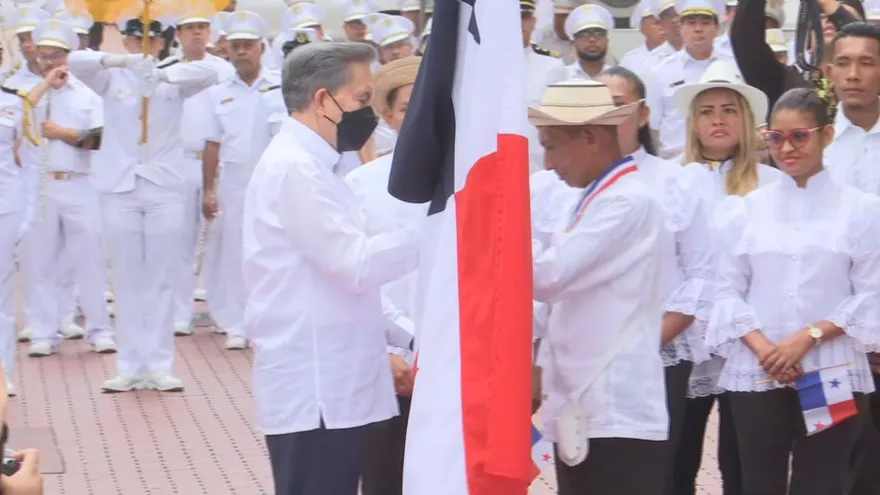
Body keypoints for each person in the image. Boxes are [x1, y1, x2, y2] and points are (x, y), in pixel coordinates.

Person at [242, 41, 418, 495]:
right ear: (323, 99)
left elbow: (337, 283)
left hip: (334, 384)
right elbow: (355, 266)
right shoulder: (296, 168)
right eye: (362, 100)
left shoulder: (317, 166)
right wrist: (438, 232)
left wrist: (407, 336)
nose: (370, 115)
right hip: (316, 389)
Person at [708, 87, 880, 494]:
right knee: (759, 482)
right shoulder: (746, 210)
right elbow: (725, 290)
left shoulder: (859, 210)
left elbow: (871, 294)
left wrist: (807, 338)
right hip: (758, 371)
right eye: (776, 137)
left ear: (826, 135)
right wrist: (765, 348)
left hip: (830, 368)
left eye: (799, 136)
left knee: (821, 480)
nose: (787, 148)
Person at [529, 79, 669, 494]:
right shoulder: (594, 197)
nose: (549, 163)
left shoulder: (627, 201)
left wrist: (494, 234)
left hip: (615, 409)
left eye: (551, 146)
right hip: (586, 404)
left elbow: (549, 277)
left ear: (589, 137)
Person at [68, 16, 219, 393]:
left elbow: (213, 70)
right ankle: (130, 365)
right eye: (135, 40)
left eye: (149, 39)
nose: (142, 45)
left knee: (162, 278)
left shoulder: (174, 76)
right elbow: (74, 62)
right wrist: (120, 63)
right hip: (121, 187)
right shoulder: (111, 78)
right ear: (129, 42)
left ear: (161, 42)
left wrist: (165, 75)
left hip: (163, 186)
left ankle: (160, 365)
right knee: (128, 279)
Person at [599, 66, 715, 495]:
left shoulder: (677, 182)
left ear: (643, 113)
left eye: (617, 106)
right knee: (593, 468)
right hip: (587, 359)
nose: (606, 117)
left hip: (659, 352)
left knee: (658, 472)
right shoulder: (564, 183)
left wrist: (649, 339)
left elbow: (702, 275)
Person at [673, 59, 780, 495]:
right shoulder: (674, 181)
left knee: (743, 458)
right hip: (686, 337)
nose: (718, 120)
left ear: (747, 119)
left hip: (749, 341)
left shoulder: (773, 185)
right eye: (707, 111)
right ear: (692, 123)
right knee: (678, 456)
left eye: (729, 110)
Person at [345, 55, 425, 495]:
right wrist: (390, 352)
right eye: (408, 106)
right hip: (390, 367)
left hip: (458, 366)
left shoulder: (472, 182)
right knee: (385, 480)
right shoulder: (363, 185)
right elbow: (356, 279)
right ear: (388, 116)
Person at [20, 18, 115, 359]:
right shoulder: (29, 95)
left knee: (89, 260)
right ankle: (45, 331)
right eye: (44, 56)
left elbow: (99, 138)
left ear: (69, 56)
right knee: (41, 263)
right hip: (42, 185)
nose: (50, 63)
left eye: (57, 56)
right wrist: (45, 85)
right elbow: (19, 118)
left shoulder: (87, 95)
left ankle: (99, 329)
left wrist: (63, 133)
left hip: (79, 183)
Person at [821, 21, 880, 495]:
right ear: (828, 71)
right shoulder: (810, 143)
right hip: (829, 330)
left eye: (867, 62)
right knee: (836, 456)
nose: (854, 74)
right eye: (844, 62)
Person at [200, 11, 277, 351]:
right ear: (227, 51)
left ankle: (268, 320)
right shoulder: (217, 93)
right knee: (235, 253)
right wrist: (209, 189)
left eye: (248, 46)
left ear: (261, 49)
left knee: (271, 250)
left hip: (271, 178)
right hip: (233, 179)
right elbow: (212, 144)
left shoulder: (280, 87)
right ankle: (236, 323)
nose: (242, 52)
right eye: (236, 46)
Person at [165, 8, 235, 338]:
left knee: (220, 241)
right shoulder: (166, 70)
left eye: (202, 27)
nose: (196, 33)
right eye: (189, 27)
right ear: (178, 34)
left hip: (218, 162)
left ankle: (223, 311)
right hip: (178, 162)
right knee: (180, 242)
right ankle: (180, 313)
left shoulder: (225, 70)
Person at [730, 0, 862, 121]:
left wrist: (829, 5)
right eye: (820, 17)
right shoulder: (784, 83)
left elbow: (862, 42)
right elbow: (745, 40)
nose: (829, 20)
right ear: (808, 41)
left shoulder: (872, 84)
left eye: (842, 17)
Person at [646, 0, 736, 159]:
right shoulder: (660, 72)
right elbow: (653, 128)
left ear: (716, 28)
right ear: (680, 27)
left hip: (726, 160)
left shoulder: (733, 66)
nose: (698, 29)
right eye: (691, 23)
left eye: (706, 23)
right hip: (676, 161)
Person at [561, 4, 614, 80]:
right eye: (584, 34)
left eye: (599, 34)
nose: (592, 39)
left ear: (607, 40)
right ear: (573, 42)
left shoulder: (618, 76)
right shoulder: (563, 76)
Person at [620, 2, 669, 75]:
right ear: (642, 28)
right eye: (657, 23)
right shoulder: (631, 60)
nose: (663, 27)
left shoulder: (684, 54)